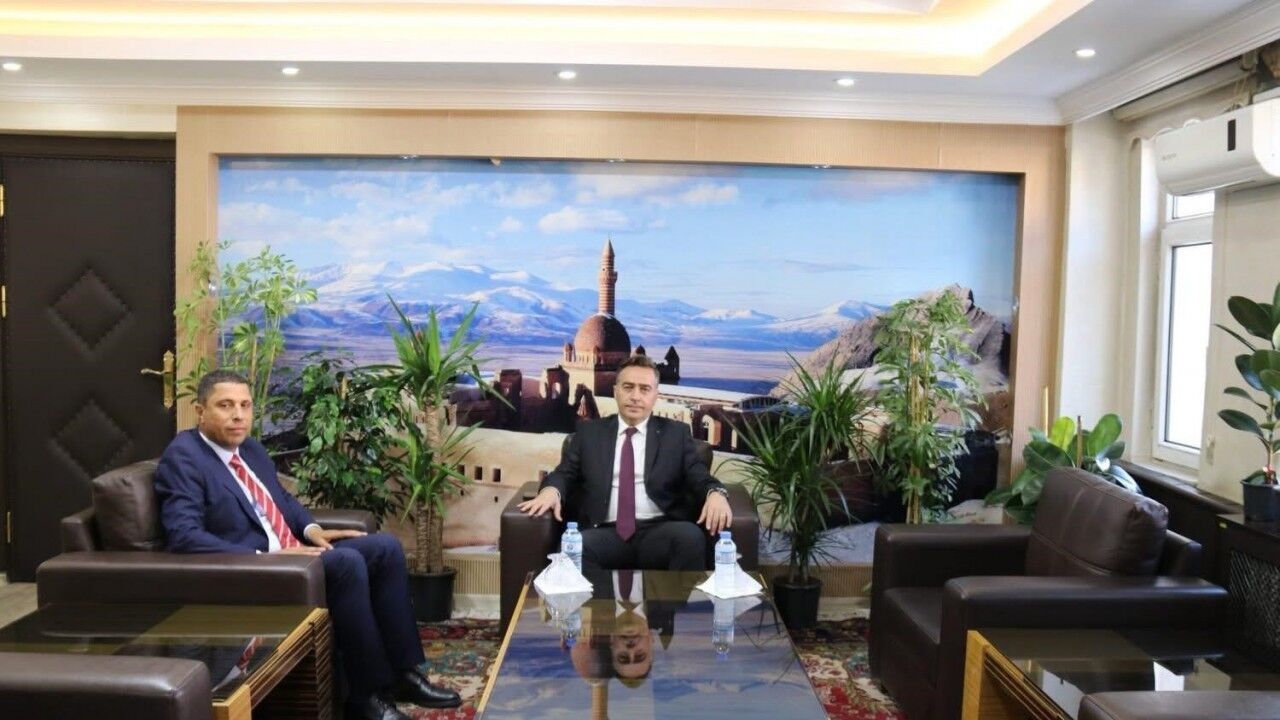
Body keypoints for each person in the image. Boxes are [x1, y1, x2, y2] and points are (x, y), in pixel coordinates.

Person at [155, 370, 460, 720]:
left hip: (295, 556)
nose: (238, 415)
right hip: (258, 569)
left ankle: (404, 675)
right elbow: (184, 535)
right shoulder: (184, 456)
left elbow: (282, 499)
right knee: (346, 563)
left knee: (385, 548)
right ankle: (364, 698)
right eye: (225, 406)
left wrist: (312, 529)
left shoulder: (249, 448)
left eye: (245, 405)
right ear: (200, 411)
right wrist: (266, 556)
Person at [518, 354, 732, 572]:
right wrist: (551, 491)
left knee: (690, 538)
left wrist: (715, 493)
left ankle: (676, 597)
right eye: (628, 387)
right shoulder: (590, 433)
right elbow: (565, 473)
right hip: (603, 530)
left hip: (661, 529)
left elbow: (698, 474)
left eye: (644, 389)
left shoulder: (675, 434)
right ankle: (597, 597)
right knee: (575, 547)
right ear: (615, 391)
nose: (635, 396)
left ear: (655, 395)